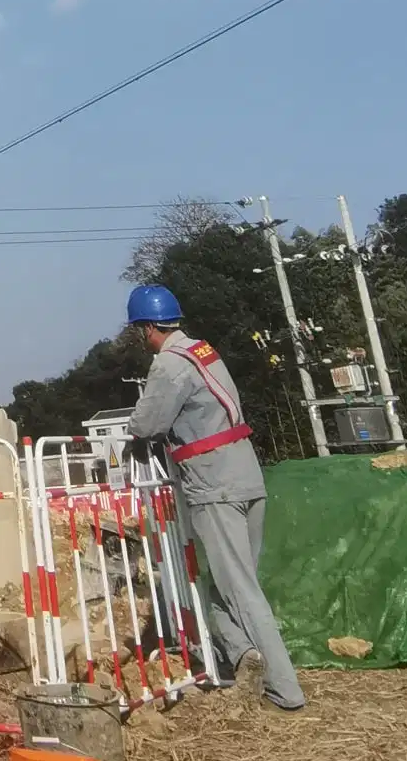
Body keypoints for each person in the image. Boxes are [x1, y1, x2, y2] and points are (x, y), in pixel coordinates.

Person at [125, 284, 306, 710]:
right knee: (229, 584)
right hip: (246, 473)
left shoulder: (168, 364)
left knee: (241, 589)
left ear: (147, 328)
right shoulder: (204, 352)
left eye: (138, 330)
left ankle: (286, 691)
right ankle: (244, 657)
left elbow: (147, 422)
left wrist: (136, 437)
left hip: (213, 481)